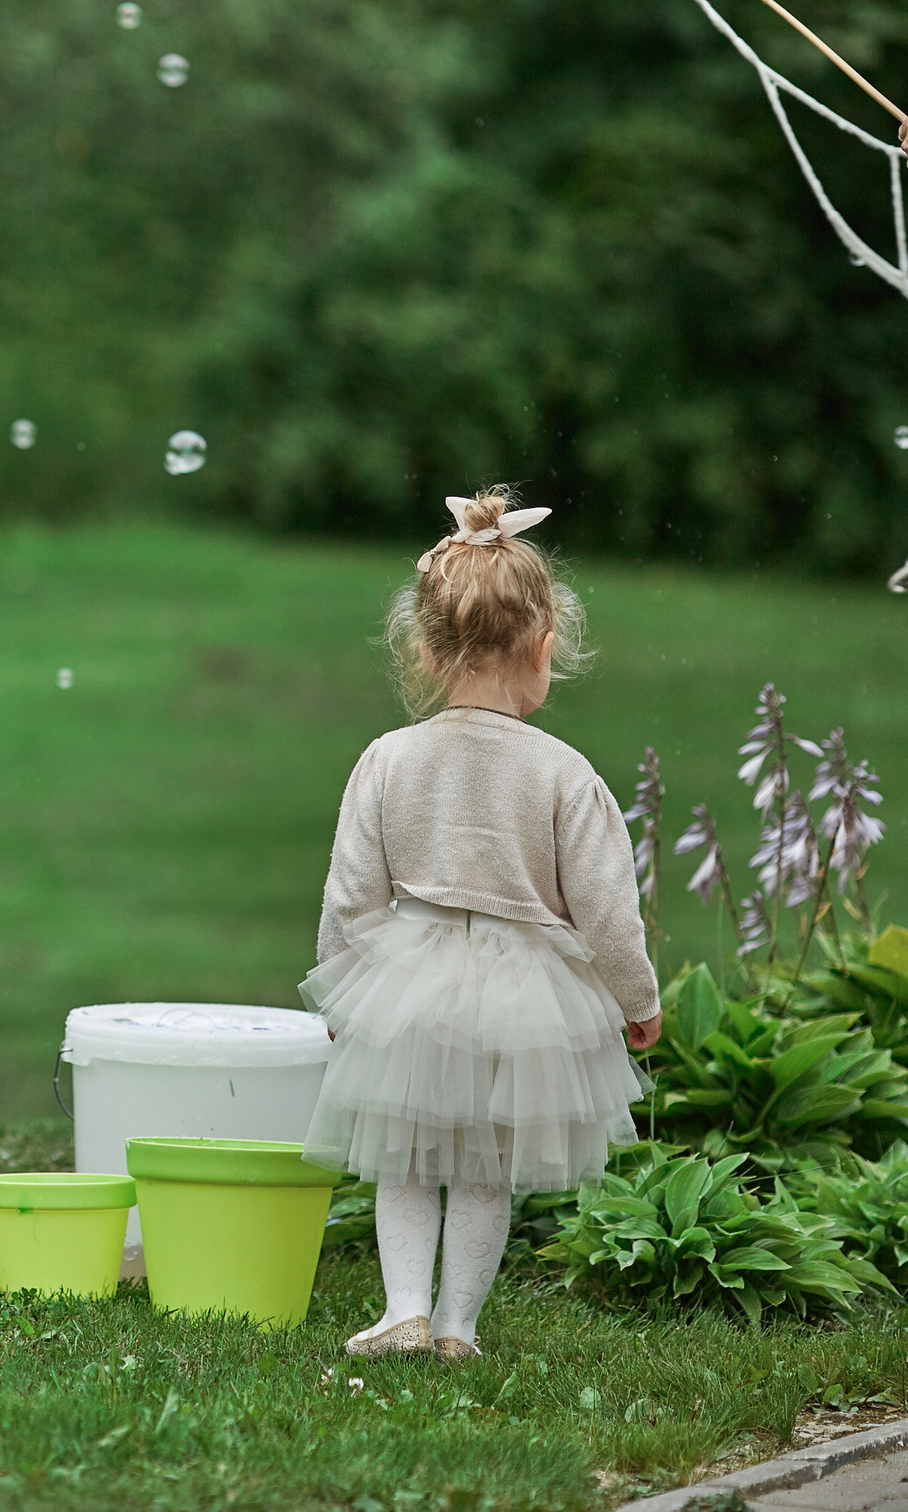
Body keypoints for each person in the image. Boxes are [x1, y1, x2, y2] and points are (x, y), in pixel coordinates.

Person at [301, 488, 661, 1363]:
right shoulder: (567, 775)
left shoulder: (388, 759)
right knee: (484, 1168)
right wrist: (636, 1000)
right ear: (543, 649)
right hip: (525, 991)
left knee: (406, 1158)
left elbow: (350, 893)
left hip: (408, 977)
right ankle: (460, 1324)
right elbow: (609, 910)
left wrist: (344, 987)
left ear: (424, 650)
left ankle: (403, 1308)